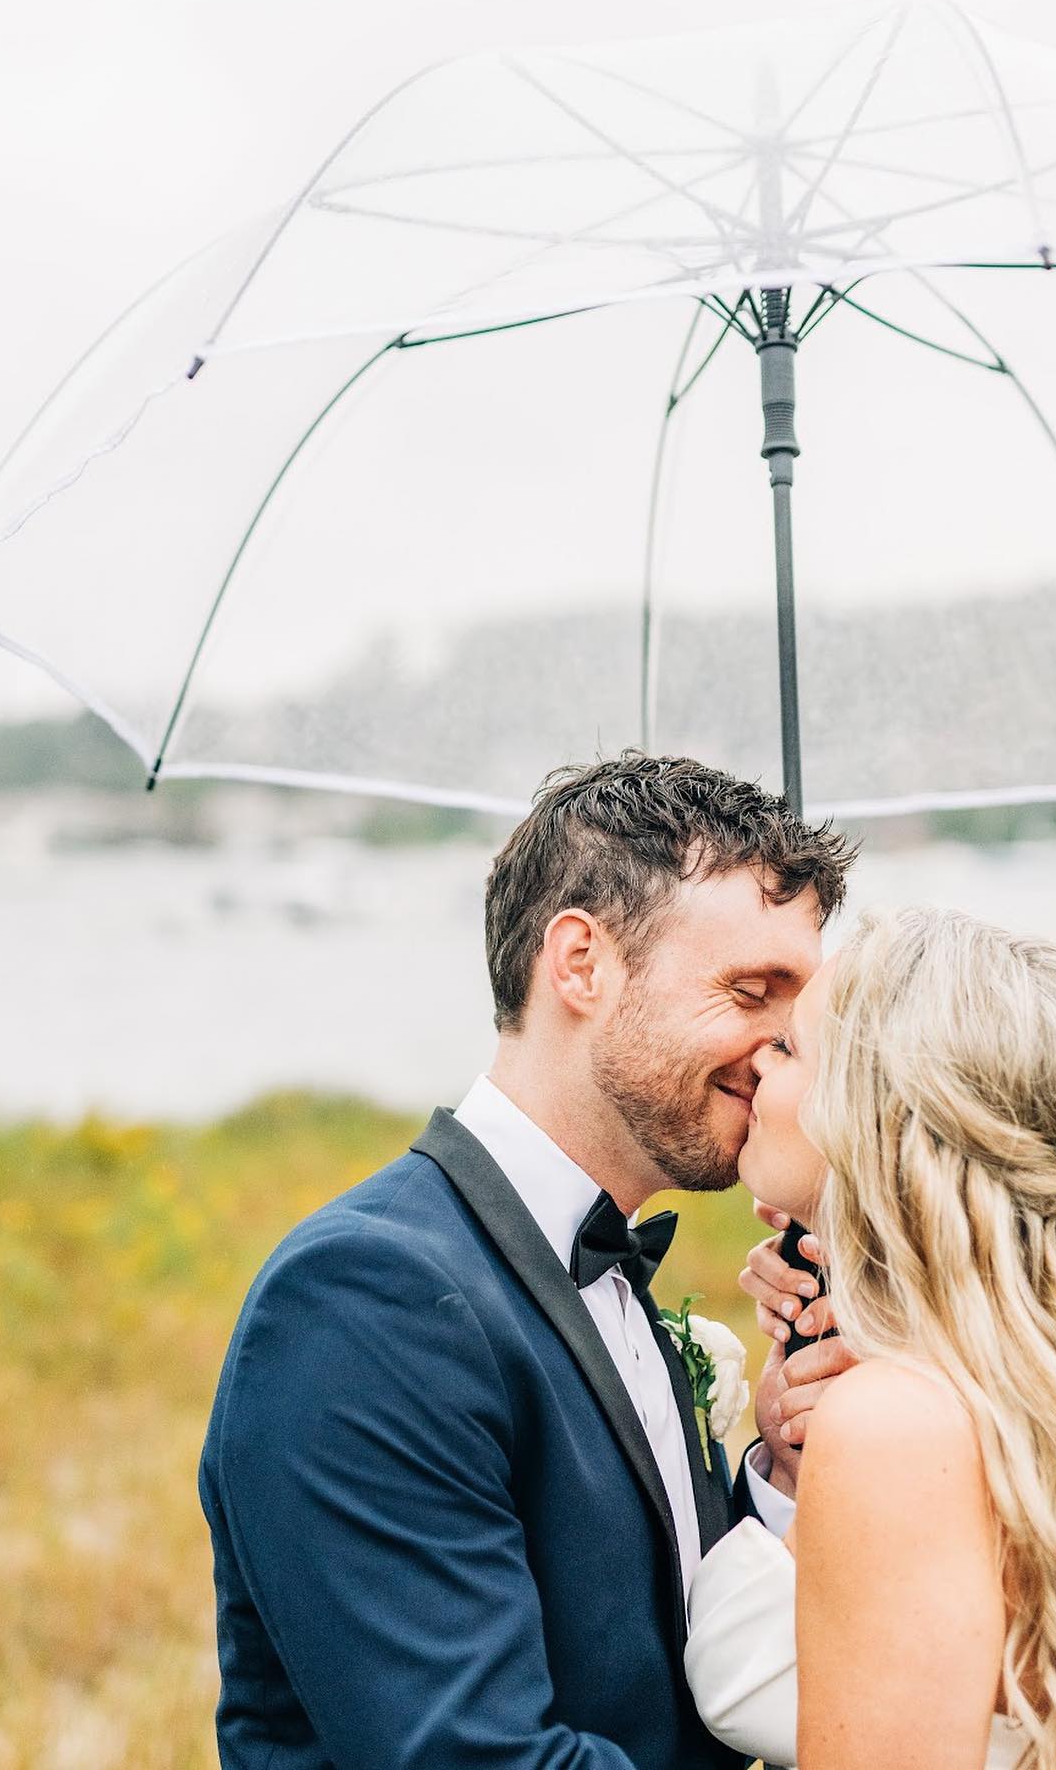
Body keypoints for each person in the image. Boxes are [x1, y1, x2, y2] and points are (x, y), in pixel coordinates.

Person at [200, 753, 857, 1768]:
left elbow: (661, 1649)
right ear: (581, 963)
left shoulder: (603, 1270)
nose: (780, 1053)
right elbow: (474, 1753)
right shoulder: (364, 1301)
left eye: (801, 1016)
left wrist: (780, 1466)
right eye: (751, 991)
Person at [685, 906, 1056, 1769]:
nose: (754, 1055)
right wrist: (795, 1440)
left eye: (789, 1048)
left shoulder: (899, 1426)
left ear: (878, 1123)